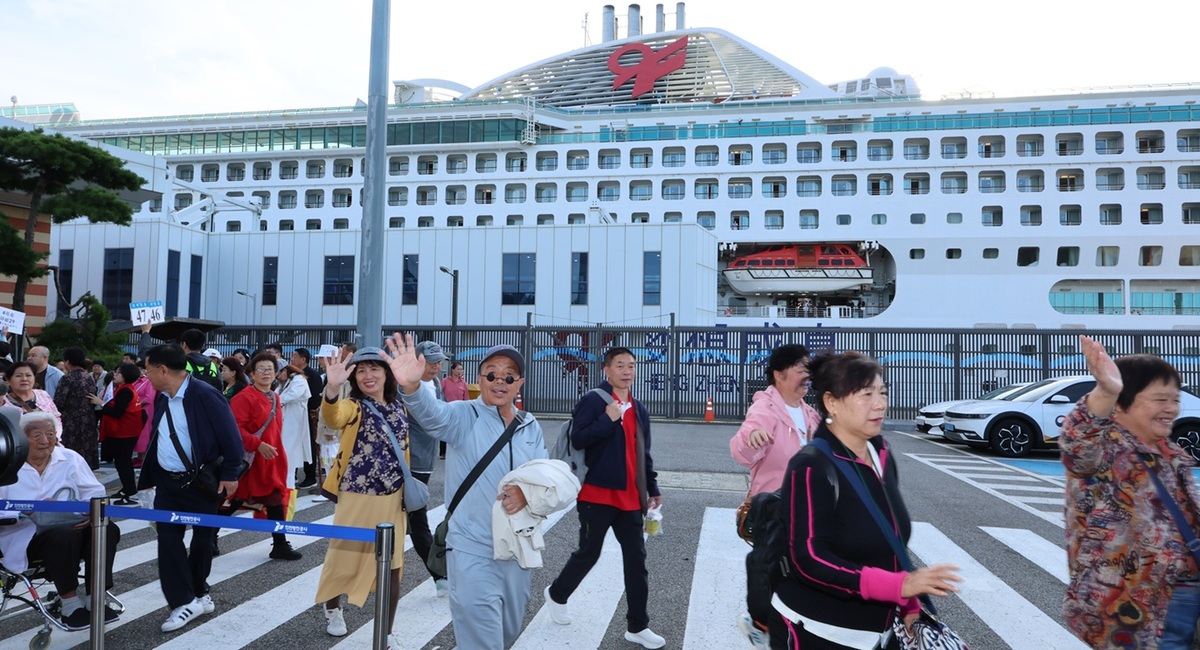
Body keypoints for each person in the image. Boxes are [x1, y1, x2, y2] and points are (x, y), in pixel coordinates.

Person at [772, 351, 960, 650]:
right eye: (866, 394)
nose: (880, 403)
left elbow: (890, 538)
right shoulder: (811, 466)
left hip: (881, 632)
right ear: (832, 402)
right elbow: (809, 560)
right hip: (819, 632)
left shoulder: (880, 452)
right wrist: (898, 586)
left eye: (882, 392)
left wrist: (908, 602)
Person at [392, 335, 548, 650]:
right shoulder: (464, 415)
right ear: (480, 379)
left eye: (509, 376)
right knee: (482, 639)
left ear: (519, 383)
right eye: (491, 374)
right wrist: (412, 387)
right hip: (470, 549)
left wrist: (528, 496)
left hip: (518, 549)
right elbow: (433, 415)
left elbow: (544, 479)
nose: (500, 381)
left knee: (507, 632)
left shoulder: (529, 425)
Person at [1063, 336, 1200, 648]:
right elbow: (1078, 442)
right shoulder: (1106, 450)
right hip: (1135, 611)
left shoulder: (1172, 455)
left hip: (1184, 597)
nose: (1171, 409)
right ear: (1122, 403)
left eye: (1175, 399)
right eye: (1160, 399)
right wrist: (1106, 391)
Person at [545, 346, 665, 649]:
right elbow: (578, 438)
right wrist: (607, 419)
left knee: (637, 561)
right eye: (620, 365)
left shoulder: (639, 408)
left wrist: (652, 488)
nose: (627, 371)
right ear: (607, 370)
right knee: (589, 552)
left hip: (630, 498)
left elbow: (643, 453)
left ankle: (638, 626)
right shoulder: (593, 401)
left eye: (631, 366)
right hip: (595, 494)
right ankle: (557, 594)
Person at [137, 343, 244, 633]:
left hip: (201, 482)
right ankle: (183, 601)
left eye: (148, 370)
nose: (145, 375)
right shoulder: (162, 397)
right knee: (168, 541)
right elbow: (159, 437)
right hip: (167, 483)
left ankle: (198, 591)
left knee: (202, 541)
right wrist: (149, 478)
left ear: (162, 370)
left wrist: (231, 473)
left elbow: (231, 436)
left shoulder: (205, 394)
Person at [314, 346, 413, 647]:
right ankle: (333, 608)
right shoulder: (353, 406)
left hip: (394, 497)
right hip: (356, 495)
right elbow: (333, 417)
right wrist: (332, 389)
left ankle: (387, 631)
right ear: (354, 378)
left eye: (374, 369)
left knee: (392, 564)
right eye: (361, 371)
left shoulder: (400, 407)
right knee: (342, 556)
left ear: (386, 374)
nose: (368, 375)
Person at [730, 344, 820, 647]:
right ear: (779, 375)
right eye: (800, 368)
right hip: (774, 507)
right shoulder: (765, 409)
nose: (807, 374)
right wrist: (751, 439)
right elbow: (741, 449)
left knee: (799, 570)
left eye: (808, 368)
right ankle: (761, 622)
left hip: (808, 508)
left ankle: (785, 624)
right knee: (769, 567)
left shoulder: (810, 413)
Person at [0, 411, 123, 631]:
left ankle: (95, 596)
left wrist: (89, 514)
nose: (45, 441)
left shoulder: (70, 458)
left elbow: (95, 492)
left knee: (106, 529)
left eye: (50, 434)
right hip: (26, 536)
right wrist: (25, 511)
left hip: (73, 525)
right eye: (36, 435)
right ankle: (70, 604)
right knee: (64, 535)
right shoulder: (6, 464)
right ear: (21, 438)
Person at [228, 353, 302, 560]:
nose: (266, 373)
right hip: (251, 460)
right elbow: (235, 429)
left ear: (276, 373)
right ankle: (209, 536)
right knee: (235, 499)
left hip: (271, 460)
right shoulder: (243, 397)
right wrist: (257, 444)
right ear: (251, 374)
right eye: (260, 369)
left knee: (275, 498)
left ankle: (280, 544)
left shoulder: (275, 396)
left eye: (270, 369)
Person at [407, 341, 450, 596]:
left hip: (425, 460)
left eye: (438, 361)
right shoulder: (405, 386)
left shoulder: (435, 383)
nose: (436, 366)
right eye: (431, 361)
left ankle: (440, 575)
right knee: (417, 520)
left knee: (415, 519)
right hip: (407, 461)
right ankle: (439, 576)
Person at [96, 363, 145, 504]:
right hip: (124, 432)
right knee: (121, 463)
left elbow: (117, 412)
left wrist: (101, 403)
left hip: (125, 433)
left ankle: (131, 493)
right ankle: (126, 489)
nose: (115, 375)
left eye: (118, 373)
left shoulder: (126, 391)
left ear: (126, 376)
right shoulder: (123, 388)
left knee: (124, 463)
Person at [54, 346, 99, 469]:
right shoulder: (89, 377)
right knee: (86, 455)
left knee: (70, 455)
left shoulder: (67, 378)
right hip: (88, 421)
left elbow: (58, 402)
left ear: (67, 362)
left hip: (70, 423)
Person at [291, 347, 324, 489]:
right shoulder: (294, 373)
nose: (292, 359)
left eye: (294, 356)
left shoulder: (312, 375)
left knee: (309, 445)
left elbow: (315, 397)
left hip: (309, 415)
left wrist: (312, 413)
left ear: (303, 359)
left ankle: (310, 476)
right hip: (297, 415)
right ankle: (294, 474)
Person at [276, 362, 312, 490]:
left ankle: (288, 490)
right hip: (284, 422)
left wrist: (274, 400)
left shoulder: (299, 380)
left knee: (289, 456)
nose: (277, 376)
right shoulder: (284, 383)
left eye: (279, 373)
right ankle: (284, 488)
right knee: (283, 455)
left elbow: (292, 395)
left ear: (285, 370)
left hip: (294, 422)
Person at [3, 361, 63, 437]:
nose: (24, 379)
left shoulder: (43, 395)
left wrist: (55, 437)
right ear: (8, 381)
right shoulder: (3, 403)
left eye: (28, 375)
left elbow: (56, 417)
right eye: (18, 376)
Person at [440, 360, 469, 460]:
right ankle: (443, 452)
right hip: (447, 409)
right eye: (458, 369)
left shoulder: (463, 383)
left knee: (457, 431)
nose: (460, 371)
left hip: (459, 411)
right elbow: (439, 394)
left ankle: (457, 451)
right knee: (445, 430)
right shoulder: (445, 381)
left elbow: (466, 398)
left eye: (461, 369)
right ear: (452, 370)